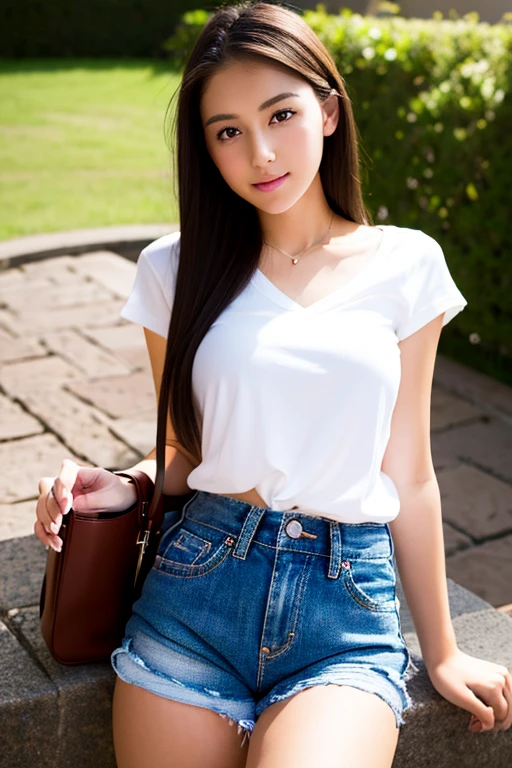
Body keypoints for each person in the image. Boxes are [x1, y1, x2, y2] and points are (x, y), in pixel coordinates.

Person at [35, 2, 512, 766]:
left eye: (280, 114)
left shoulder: (406, 264)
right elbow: (188, 452)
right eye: (228, 131)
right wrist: (125, 483)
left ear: (327, 111)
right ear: (206, 148)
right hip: (197, 593)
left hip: (345, 610)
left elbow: (409, 473)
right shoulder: (173, 269)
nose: (259, 153)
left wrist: (443, 650)